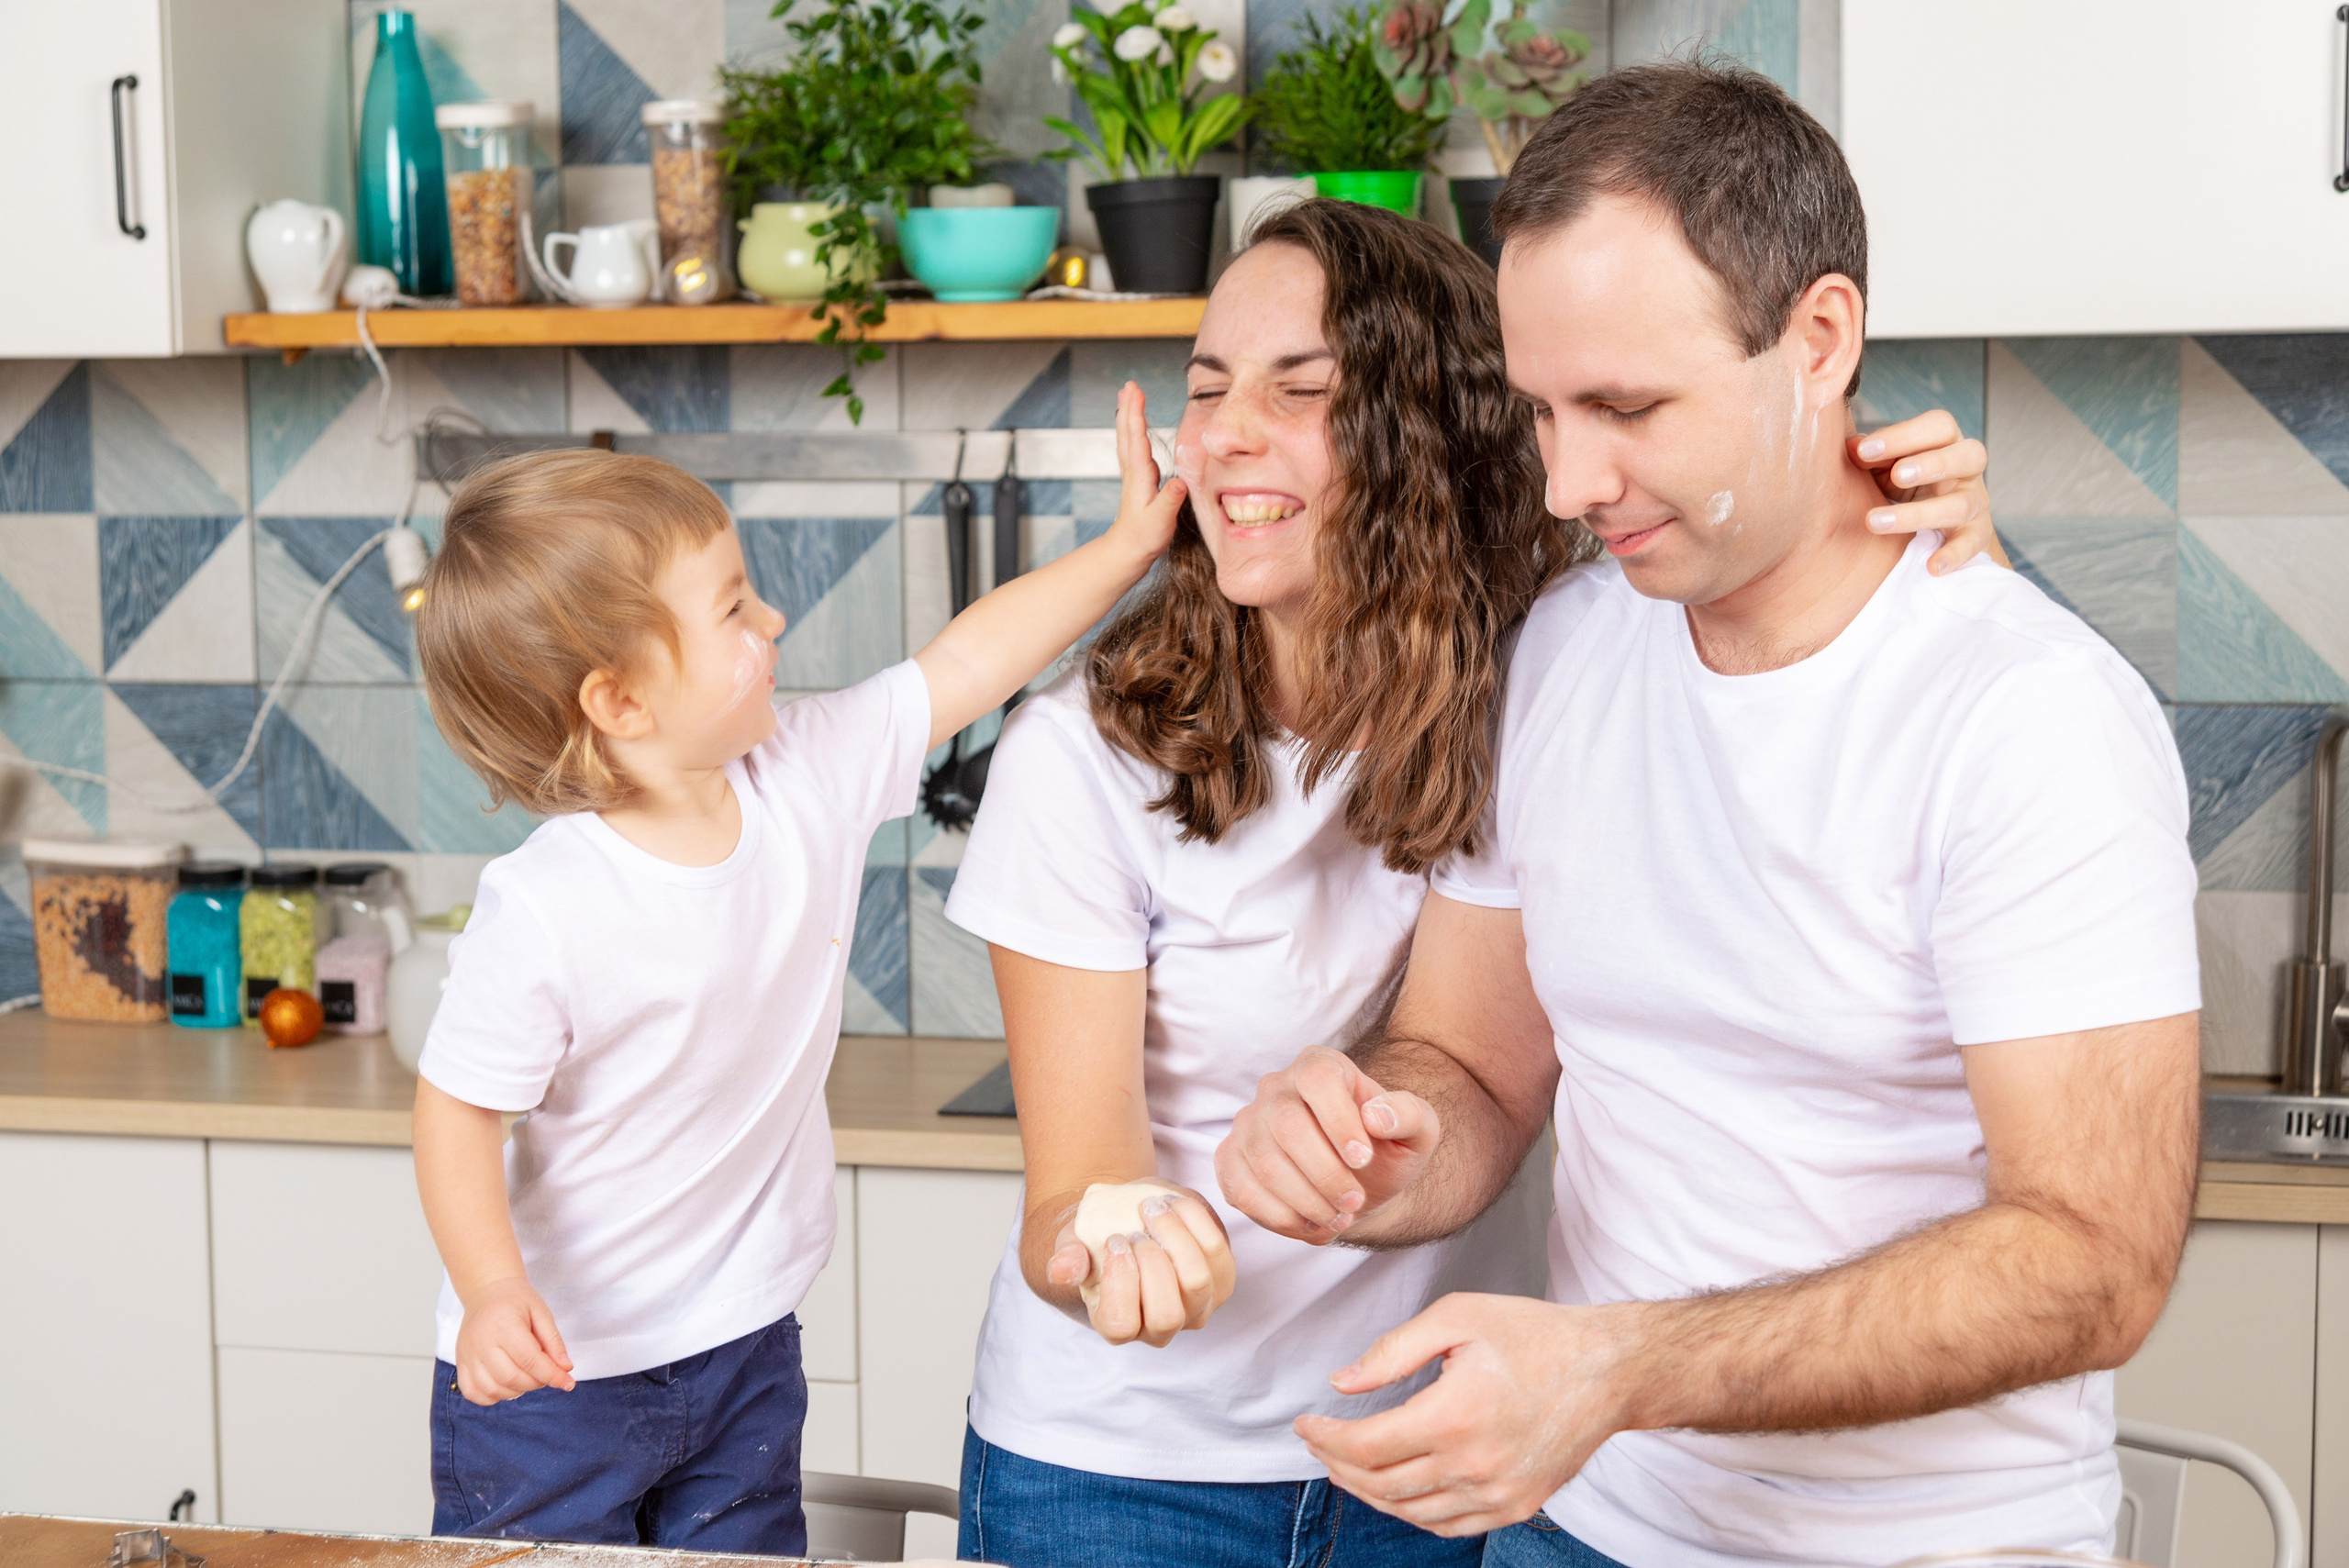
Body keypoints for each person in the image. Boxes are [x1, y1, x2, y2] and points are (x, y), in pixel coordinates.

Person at [1218, 63, 2203, 1568]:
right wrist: (1371, 1146)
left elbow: (2093, 1262)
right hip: (1584, 1529)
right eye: (1543, 409)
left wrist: (1620, 1367)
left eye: (1625, 407)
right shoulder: (1566, 651)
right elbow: (1474, 1064)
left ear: (1816, 339)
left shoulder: (2026, 714)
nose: (1564, 482)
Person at [943, 199, 2006, 1568]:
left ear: (1429, 430)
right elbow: (1074, 1192)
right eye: (1207, 390)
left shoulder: (1554, 685)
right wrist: (1121, 1242)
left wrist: (1947, 547)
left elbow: (1812, 643)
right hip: (1124, 1476)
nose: (1223, 436)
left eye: (1300, 390)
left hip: (1446, 1457)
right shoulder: (1079, 761)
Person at [403, 412, 1184, 1552]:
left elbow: (966, 662)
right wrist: (488, 1288)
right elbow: (456, 1112)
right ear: (620, 701)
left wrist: (1125, 548)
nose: (773, 620)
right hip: (553, 1386)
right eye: (731, 609)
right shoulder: (548, 904)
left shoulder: (803, 771)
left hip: (743, 1345)